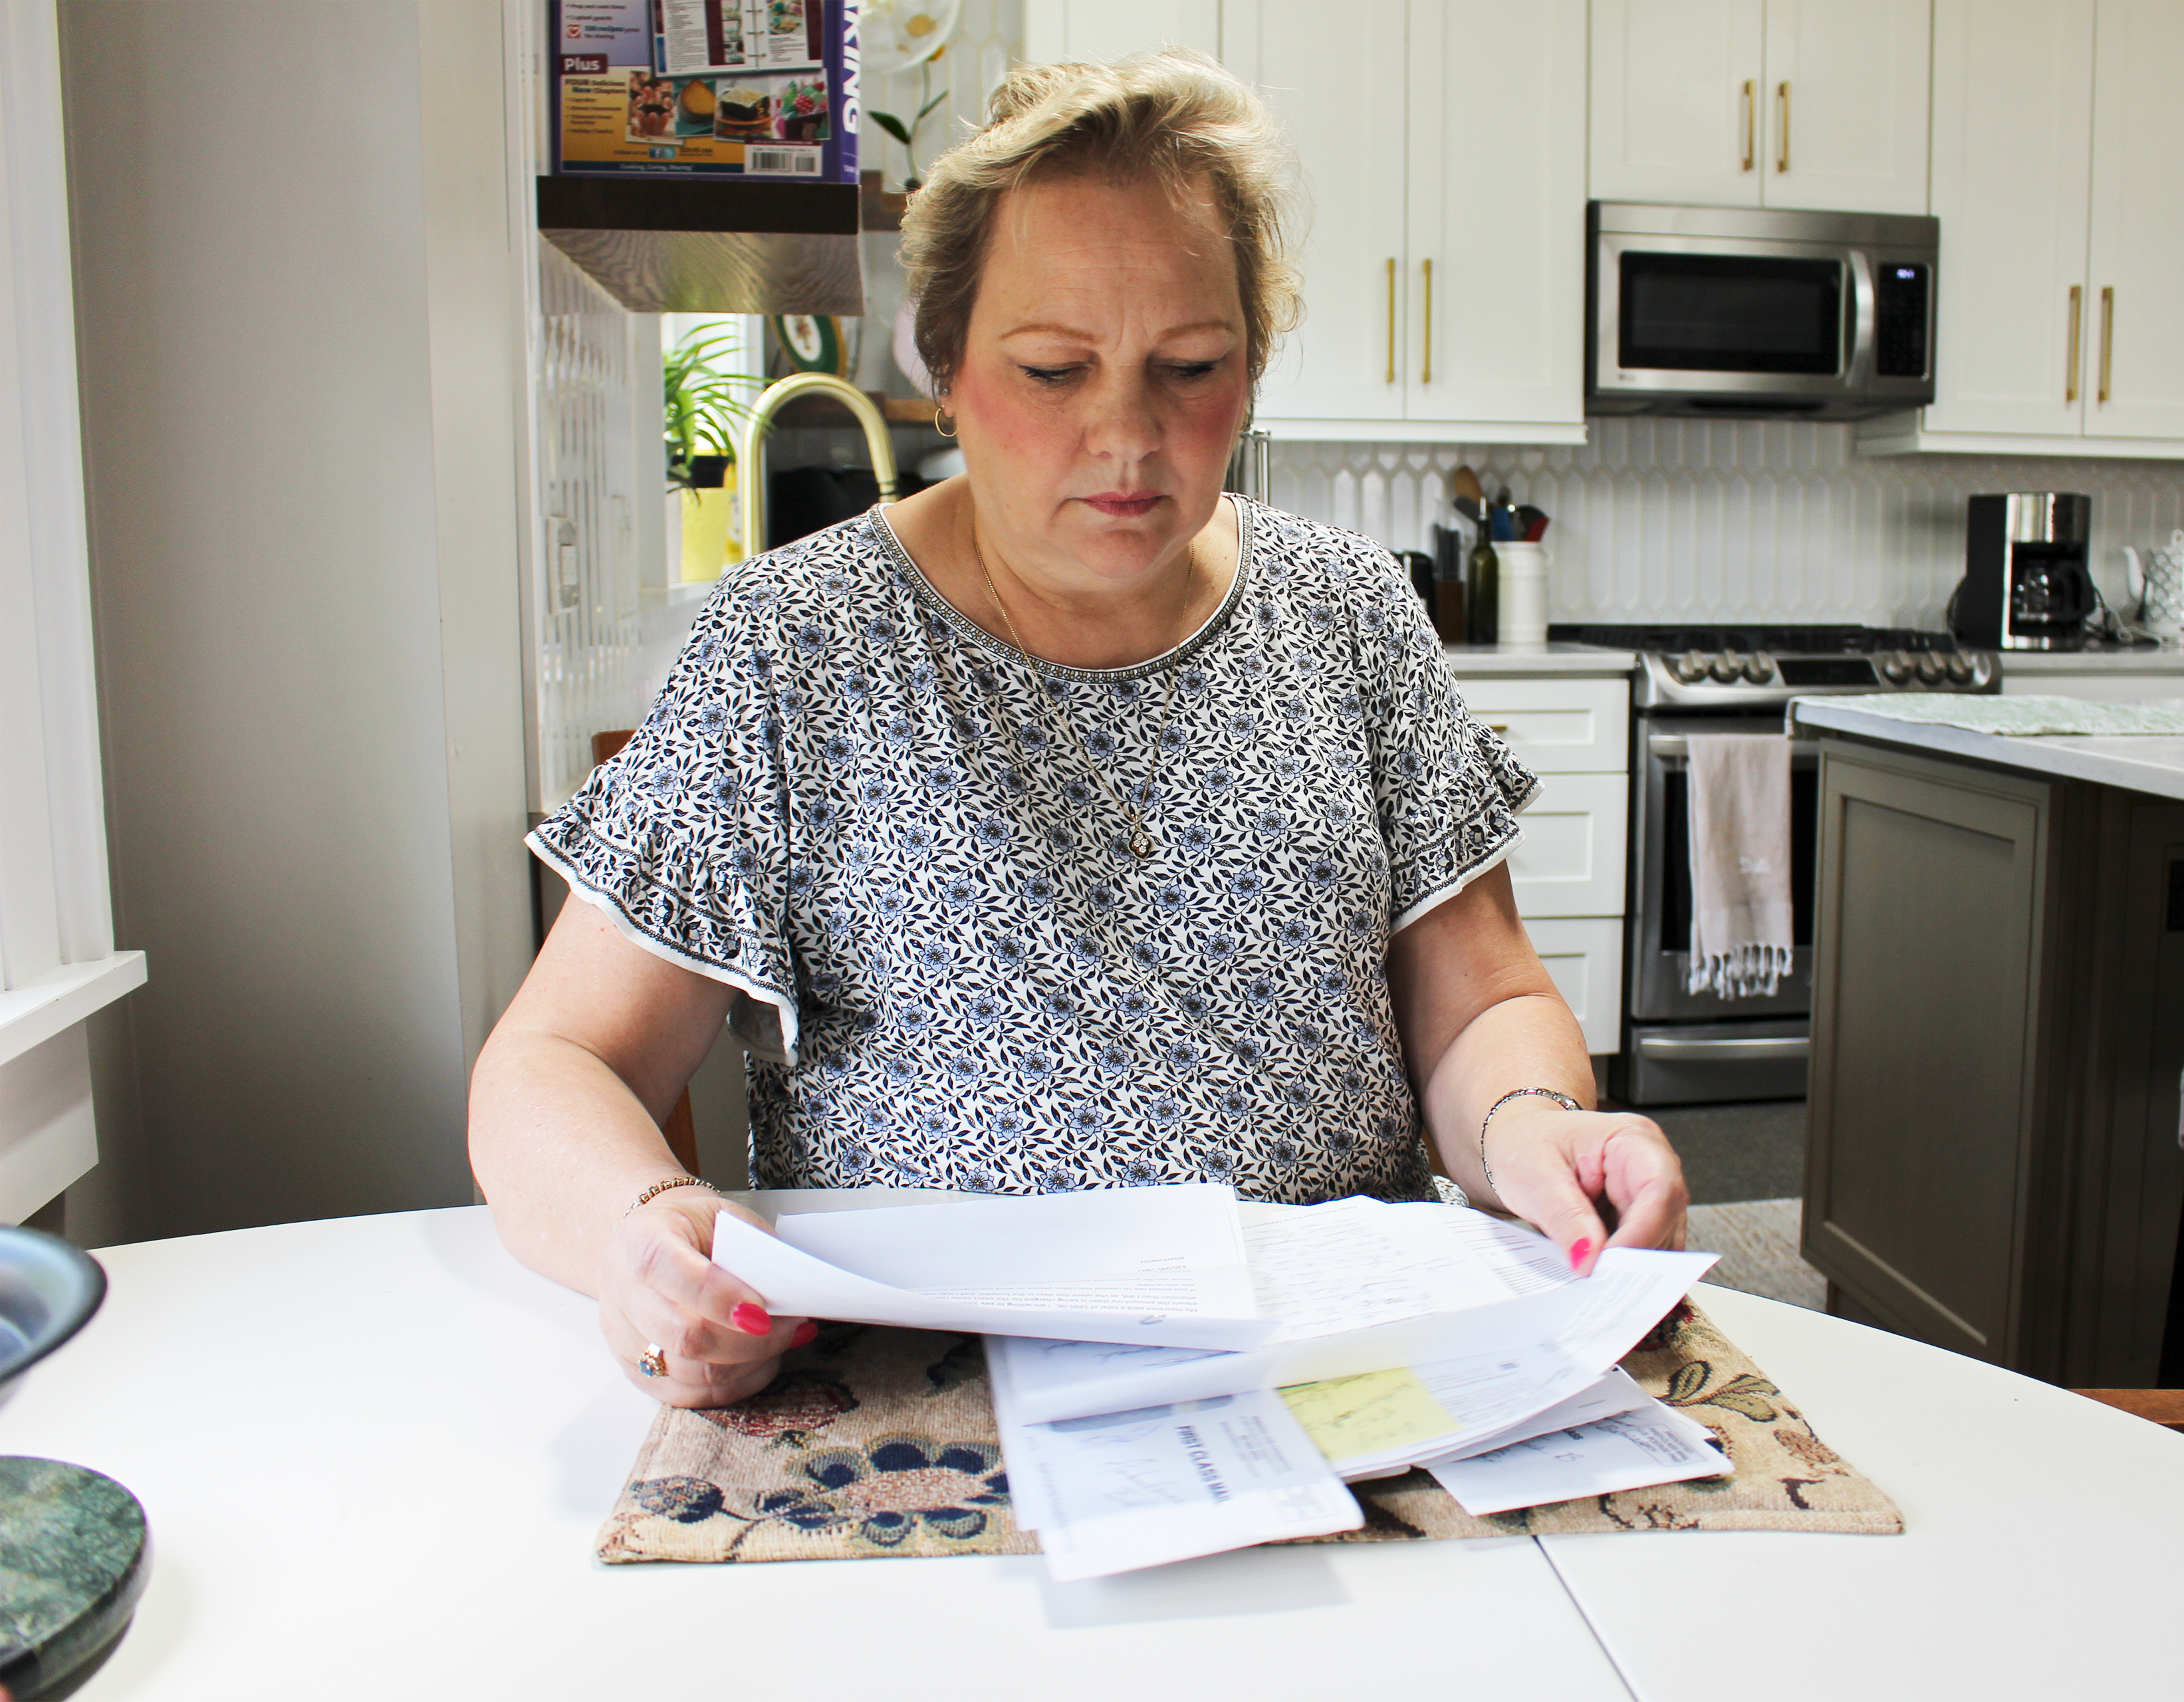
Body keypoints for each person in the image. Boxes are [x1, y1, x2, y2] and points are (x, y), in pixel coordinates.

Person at [469, 51, 1687, 1411]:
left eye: (1191, 366)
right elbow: (547, 1065)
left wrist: (1537, 1129)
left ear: (1253, 363)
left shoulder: (1351, 616)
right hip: (922, 1405)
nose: (1127, 434)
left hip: (1331, 1387)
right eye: (1054, 369)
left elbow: (1486, 1005)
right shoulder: (790, 648)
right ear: (945, 368)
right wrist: (640, 1226)